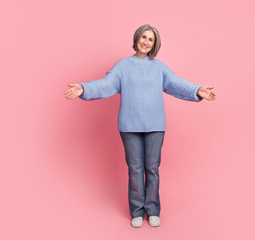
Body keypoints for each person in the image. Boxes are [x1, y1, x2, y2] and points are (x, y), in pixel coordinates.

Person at [64, 24, 216, 228]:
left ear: (155, 44)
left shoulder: (160, 67)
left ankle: (152, 210)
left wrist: (197, 90)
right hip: (129, 126)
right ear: (136, 39)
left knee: (152, 168)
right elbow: (106, 84)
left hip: (155, 126)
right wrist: (84, 88)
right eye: (143, 37)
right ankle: (137, 211)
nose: (146, 41)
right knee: (135, 168)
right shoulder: (122, 66)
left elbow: (176, 83)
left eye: (150, 39)